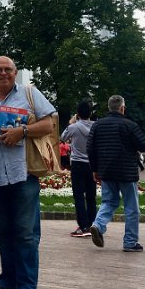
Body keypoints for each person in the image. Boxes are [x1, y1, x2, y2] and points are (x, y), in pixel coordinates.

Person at [0, 56, 56, 289]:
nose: (4, 73)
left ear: (16, 72)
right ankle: (8, 283)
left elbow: (49, 123)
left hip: (23, 175)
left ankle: (27, 288)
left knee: (26, 235)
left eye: (8, 69)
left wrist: (23, 131)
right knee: (0, 233)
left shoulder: (29, 94)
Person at [87, 95, 145, 252]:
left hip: (106, 170)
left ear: (109, 108)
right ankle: (130, 242)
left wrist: (95, 169)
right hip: (126, 172)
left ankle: (98, 225)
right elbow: (143, 145)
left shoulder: (97, 126)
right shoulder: (130, 125)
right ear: (122, 108)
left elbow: (90, 149)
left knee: (108, 202)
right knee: (131, 208)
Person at [60, 101, 96, 237]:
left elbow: (63, 138)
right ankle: (93, 224)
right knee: (91, 196)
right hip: (92, 164)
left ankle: (83, 226)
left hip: (77, 163)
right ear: (91, 113)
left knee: (79, 196)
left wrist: (71, 123)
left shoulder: (73, 127)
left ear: (78, 114)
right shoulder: (95, 127)